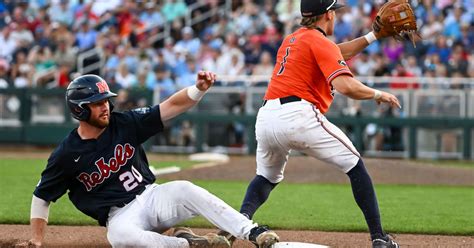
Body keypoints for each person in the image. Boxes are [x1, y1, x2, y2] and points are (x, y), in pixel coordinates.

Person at [18, 72, 279, 248]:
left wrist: (197, 90)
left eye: (106, 101)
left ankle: (253, 232)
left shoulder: (123, 122)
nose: (105, 106)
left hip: (153, 197)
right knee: (119, 236)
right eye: (96, 103)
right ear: (79, 109)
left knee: (184, 188)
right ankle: (189, 244)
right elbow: (42, 197)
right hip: (120, 215)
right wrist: (36, 239)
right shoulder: (66, 154)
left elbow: (168, 108)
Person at [238, 1, 401, 248]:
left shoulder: (293, 39)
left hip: (266, 117)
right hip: (298, 115)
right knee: (355, 165)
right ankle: (379, 238)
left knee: (266, 176)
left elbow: (335, 51)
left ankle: (235, 225)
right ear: (328, 14)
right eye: (335, 11)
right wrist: (379, 94)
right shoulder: (319, 42)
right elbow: (345, 86)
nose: (335, 16)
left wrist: (372, 36)